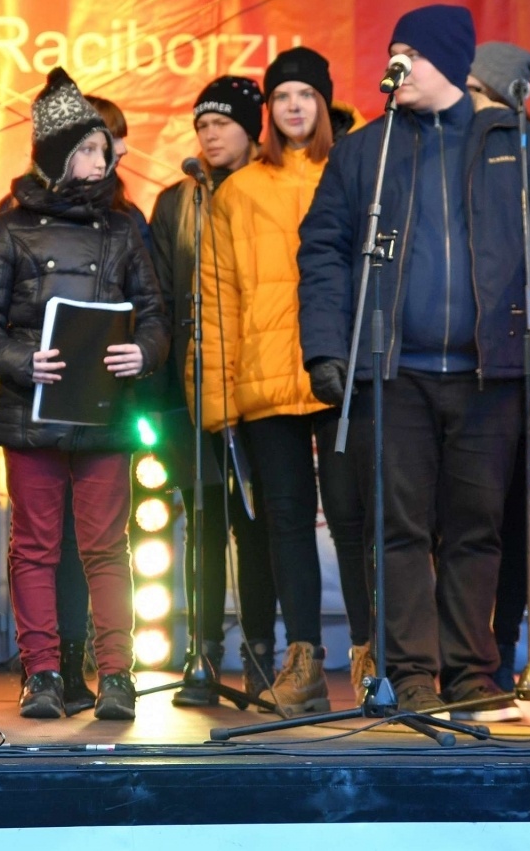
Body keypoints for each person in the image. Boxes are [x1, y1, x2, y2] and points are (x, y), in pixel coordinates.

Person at [298, 5, 530, 721]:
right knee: (397, 528)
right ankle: (412, 673)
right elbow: (323, 252)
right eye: (391, 52)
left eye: (411, 53)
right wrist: (329, 348)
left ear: (450, 63)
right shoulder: (367, 150)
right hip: (395, 374)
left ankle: (469, 669)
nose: (397, 66)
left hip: (491, 375)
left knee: (476, 525)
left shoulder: (515, 143)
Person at [0, 67, 169, 721]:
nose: (98, 159)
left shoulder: (122, 226)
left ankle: (116, 676)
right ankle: (44, 673)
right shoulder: (11, 224)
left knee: (108, 547)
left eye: (103, 150)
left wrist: (144, 350)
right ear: (53, 154)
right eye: (84, 148)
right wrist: (25, 361)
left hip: (106, 411)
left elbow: (158, 316)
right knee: (36, 546)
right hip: (34, 413)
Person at [200, 49, 366, 716]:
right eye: (282, 96)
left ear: (325, 103)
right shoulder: (238, 190)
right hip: (266, 384)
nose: (294, 106)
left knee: (354, 521)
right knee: (286, 523)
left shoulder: (353, 170)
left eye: (306, 94)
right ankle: (302, 660)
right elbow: (219, 300)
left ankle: (373, 654)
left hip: (341, 377)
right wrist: (219, 398)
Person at [148, 76, 278, 704]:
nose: (210, 132)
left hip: (260, 386)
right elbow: (161, 302)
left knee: (258, 529)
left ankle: (261, 656)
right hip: (191, 393)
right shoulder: (176, 202)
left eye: (224, 122)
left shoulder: (271, 192)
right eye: (202, 122)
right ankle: (202, 655)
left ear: (254, 130)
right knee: (201, 524)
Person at [465, 42, 530, 693]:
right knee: (463, 518)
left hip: (511, 362)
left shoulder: (528, 153)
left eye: (472, 89)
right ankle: (462, 647)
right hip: (455, 362)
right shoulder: (444, 152)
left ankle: (504, 642)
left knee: (508, 512)